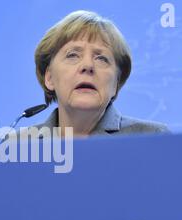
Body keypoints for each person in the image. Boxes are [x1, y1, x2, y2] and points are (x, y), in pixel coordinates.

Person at [17, 10, 169, 140]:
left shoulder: (152, 138)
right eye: (73, 55)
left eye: (101, 58)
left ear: (116, 83)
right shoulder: (16, 146)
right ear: (49, 78)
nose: (87, 66)